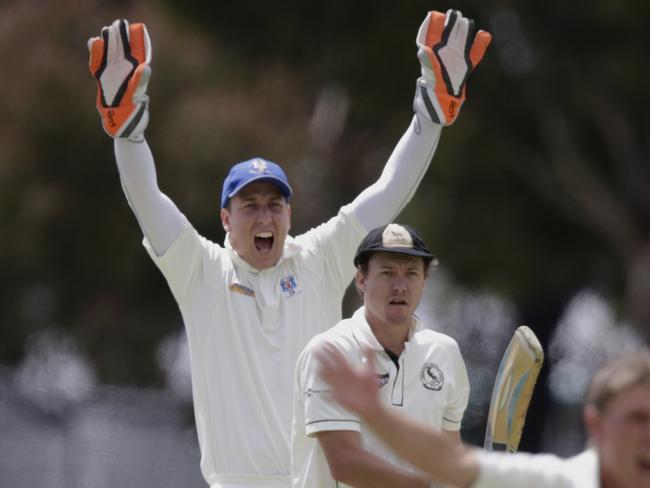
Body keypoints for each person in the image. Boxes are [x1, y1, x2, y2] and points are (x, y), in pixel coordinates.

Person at [87, 10, 491, 488]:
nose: (264, 217)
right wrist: (126, 129)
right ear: (226, 220)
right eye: (250, 205)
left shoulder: (318, 258)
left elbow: (388, 191)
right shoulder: (201, 270)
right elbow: (147, 200)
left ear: (288, 215)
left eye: (274, 205)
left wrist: (431, 115)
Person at [317, 345, 650, 488]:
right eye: (637, 418)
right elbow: (453, 461)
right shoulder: (550, 482)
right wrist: (377, 415)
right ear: (597, 424)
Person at [291, 223, 470, 487]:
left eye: (411, 274)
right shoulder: (330, 352)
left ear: (424, 281)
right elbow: (345, 463)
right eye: (387, 273)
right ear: (361, 280)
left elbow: (447, 453)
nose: (400, 286)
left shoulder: (445, 352)